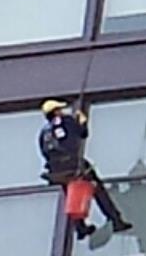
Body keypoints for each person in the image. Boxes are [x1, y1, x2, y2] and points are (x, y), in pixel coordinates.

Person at [38, 100, 132, 240]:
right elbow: (82, 133)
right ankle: (115, 220)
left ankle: (80, 227)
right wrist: (82, 121)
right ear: (56, 111)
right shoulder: (66, 120)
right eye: (60, 109)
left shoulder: (44, 132)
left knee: (70, 193)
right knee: (97, 189)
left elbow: (44, 152)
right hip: (73, 164)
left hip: (56, 170)